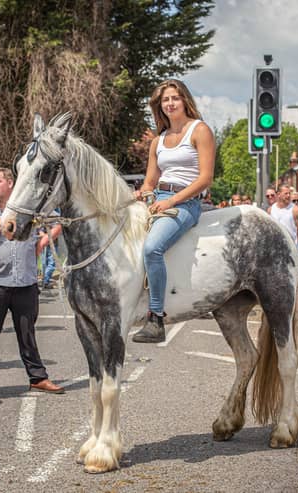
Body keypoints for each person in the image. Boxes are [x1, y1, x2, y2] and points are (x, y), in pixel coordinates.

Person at [0, 168, 65, 397]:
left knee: (27, 334)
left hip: (25, 281)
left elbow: (57, 220)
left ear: (10, 183)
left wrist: (42, 243)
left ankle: (38, 378)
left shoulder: (29, 209)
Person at [130, 79, 215, 343]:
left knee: (152, 248)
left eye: (174, 98)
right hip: (159, 198)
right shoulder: (159, 140)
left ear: (184, 100)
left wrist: (172, 201)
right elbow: (150, 181)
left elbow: (205, 179)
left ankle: (156, 317)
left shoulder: (199, 131)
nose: (170, 103)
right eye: (165, 100)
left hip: (185, 202)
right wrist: (142, 194)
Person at [271, 185, 298, 281]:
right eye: (286, 193)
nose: (288, 195)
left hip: (290, 250)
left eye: (289, 193)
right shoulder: (271, 209)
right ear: (278, 194)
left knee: (292, 278)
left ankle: (296, 296)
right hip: (275, 249)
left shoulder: (294, 210)